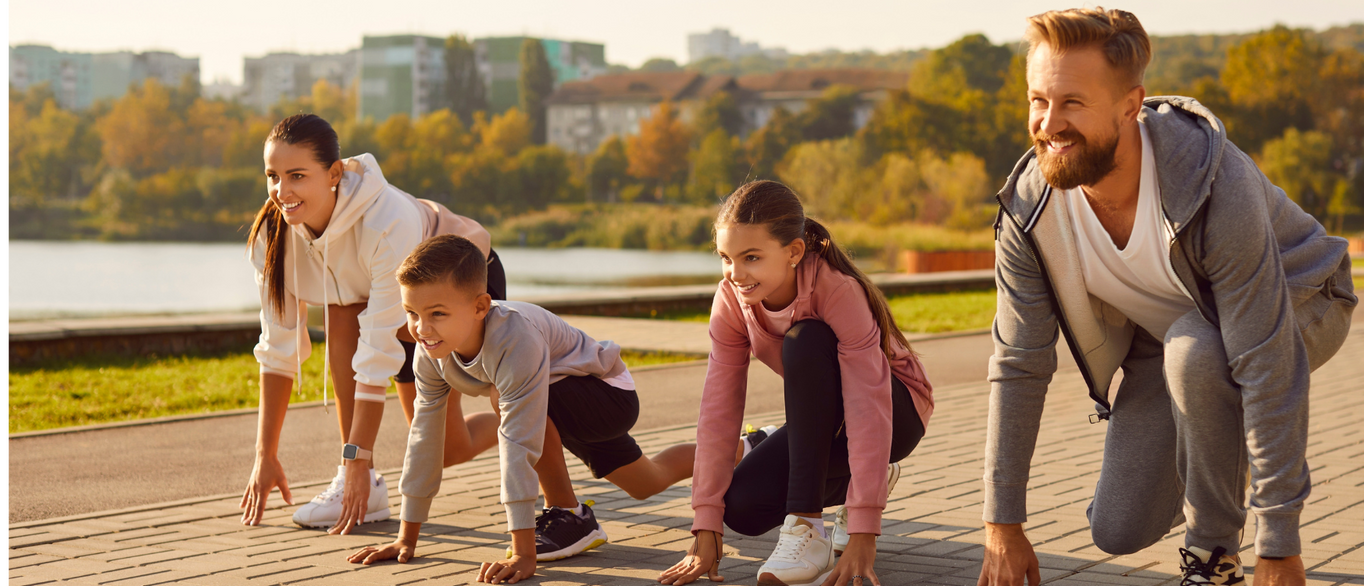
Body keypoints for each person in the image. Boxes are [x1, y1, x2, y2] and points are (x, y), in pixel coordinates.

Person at [976, 8, 1355, 586]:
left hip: (1304, 298)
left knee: (1196, 353)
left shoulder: (1213, 182)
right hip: (1172, 339)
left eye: (1072, 102)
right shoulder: (1030, 210)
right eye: (1038, 100)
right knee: (1117, 529)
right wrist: (1002, 524)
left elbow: (1266, 365)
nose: (1049, 124)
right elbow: (1019, 364)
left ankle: (1212, 557)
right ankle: (1219, 445)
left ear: (1130, 105)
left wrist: (1279, 546)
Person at [346, 235, 768, 583]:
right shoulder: (430, 352)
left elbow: (518, 443)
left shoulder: (514, 339)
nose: (421, 328)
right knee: (647, 481)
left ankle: (569, 516)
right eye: (412, 313)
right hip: (564, 402)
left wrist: (523, 553)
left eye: (437, 313)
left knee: (507, 402)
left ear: (480, 306)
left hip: (608, 395)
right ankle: (749, 447)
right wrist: (406, 539)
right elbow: (424, 438)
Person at [239, 114, 507, 534]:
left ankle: (539, 415)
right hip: (382, 306)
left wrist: (358, 455)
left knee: (449, 445)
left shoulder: (387, 221)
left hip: (458, 286)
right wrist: (265, 455)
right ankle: (359, 480)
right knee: (343, 313)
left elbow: (377, 348)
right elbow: (278, 347)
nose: (281, 191)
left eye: (297, 176)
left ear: (333, 174)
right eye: (272, 176)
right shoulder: (271, 238)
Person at [657, 181, 934, 586]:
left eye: (751, 257)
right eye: (726, 258)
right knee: (742, 507)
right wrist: (705, 524)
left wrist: (864, 529)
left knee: (805, 340)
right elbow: (719, 409)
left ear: (794, 252)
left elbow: (867, 406)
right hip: (826, 419)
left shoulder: (835, 289)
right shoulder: (731, 300)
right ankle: (862, 481)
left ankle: (807, 529)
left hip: (895, 411)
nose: (736, 274)